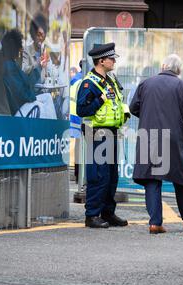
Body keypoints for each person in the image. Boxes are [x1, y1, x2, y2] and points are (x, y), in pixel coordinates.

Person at [129, 54, 183, 234]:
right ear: (179, 71)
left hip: (148, 135)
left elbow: (133, 108)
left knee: (152, 177)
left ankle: (155, 223)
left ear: (162, 66)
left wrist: (148, 117)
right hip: (174, 136)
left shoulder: (146, 84)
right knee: (181, 177)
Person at [76, 42, 130, 228]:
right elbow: (81, 110)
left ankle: (108, 212)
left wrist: (124, 113)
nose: (114, 61)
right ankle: (91, 215)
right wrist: (100, 100)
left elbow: (116, 102)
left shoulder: (111, 80)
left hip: (112, 132)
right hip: (97, 133)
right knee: (98, 175)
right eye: (111, 58)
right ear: (101, 61)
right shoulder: (88, 83)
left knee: (111, 176)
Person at [1, 29, 56, 118]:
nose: (21, 49)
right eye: (20, 46)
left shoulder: (11, 64)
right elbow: (21, 92)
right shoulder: (10, 67)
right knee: (42, 106)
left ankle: (51, 127)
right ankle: (50, 129)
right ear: (14, 48)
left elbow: (26, 81)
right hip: (20, 109)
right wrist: (33, 97)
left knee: (48, 97)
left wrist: (40, 66)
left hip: (22, 105)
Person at [22, 14, 49, 85]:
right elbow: (24, 69)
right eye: (38, 35)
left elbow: (47, 72)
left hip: (43, 88)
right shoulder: (27, 50)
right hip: (32, 89)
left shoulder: (44, 49)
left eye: (42, 35)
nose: (40, 38)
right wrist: (36, 63)